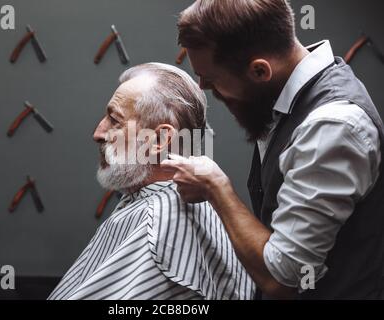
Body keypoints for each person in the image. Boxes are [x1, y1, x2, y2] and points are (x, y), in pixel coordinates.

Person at [161, 0, 384, 299]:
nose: (202, 87)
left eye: (211, 79)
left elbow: (284, 280)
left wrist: (216, 187)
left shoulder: (332, 128)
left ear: (259, 71)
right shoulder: (283, 100)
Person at [48, 63, 254, 300]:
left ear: (159, 139)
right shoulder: (160, 203)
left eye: (114, 120)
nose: (98, 133)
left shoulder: (158, 220)